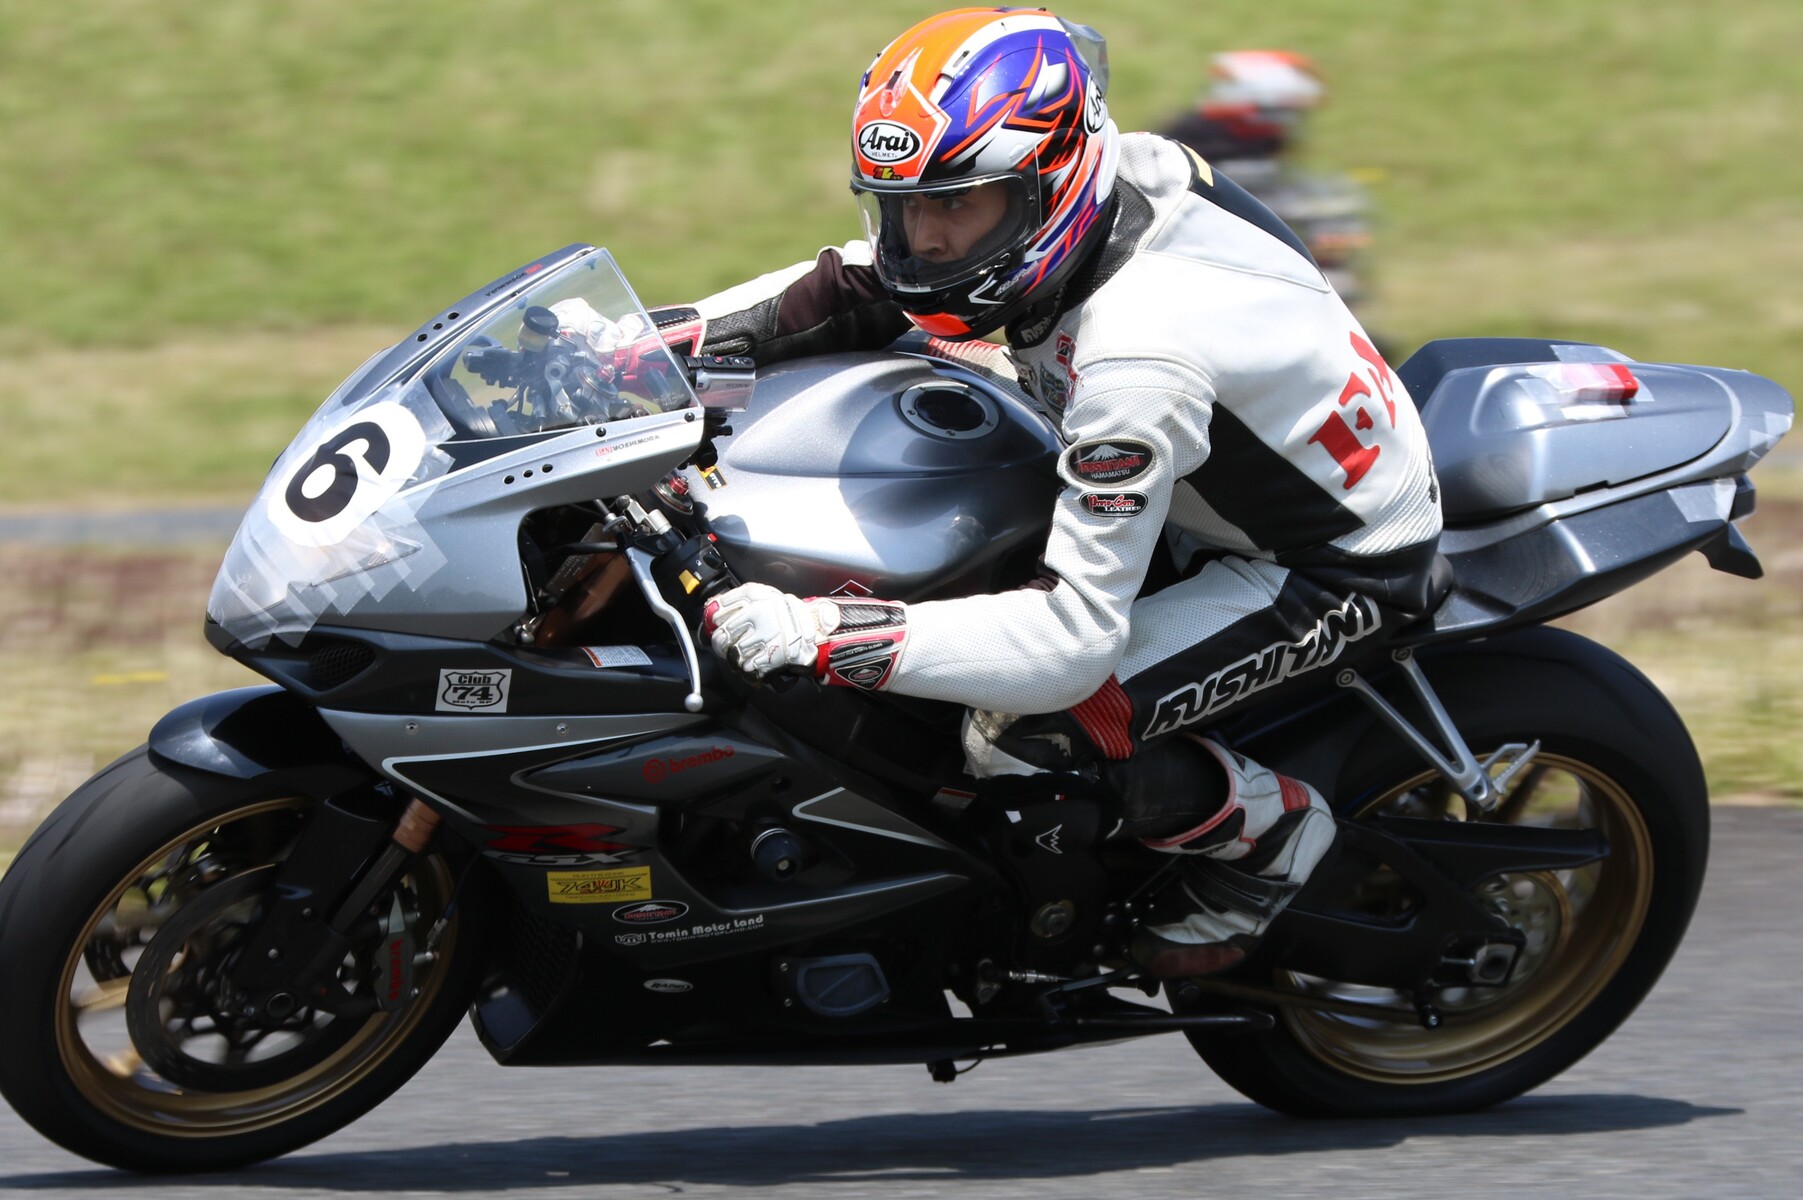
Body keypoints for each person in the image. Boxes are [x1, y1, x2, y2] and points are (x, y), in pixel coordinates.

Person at [684, 7, 1443, 978]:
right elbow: (855, 284)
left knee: (1021, 731)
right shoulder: (1102, 180)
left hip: (1322, 567)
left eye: (957, 205)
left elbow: (1068, 647)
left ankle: (1272, 838)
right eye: (903, 205)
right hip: (1213, 467)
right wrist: (633, 352)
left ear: (1052, 183)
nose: (923, 238)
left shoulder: (1136, 363)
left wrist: (818, 632)